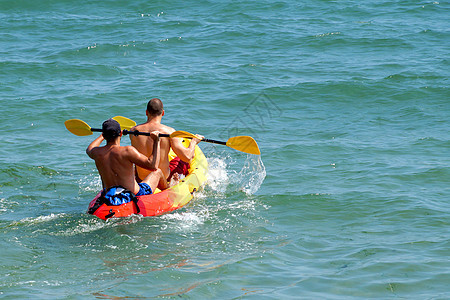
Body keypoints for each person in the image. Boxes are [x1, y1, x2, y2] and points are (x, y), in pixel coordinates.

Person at [86, 119, 168, 204]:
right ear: (121, 134)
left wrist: (102, 136)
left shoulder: (96, 153)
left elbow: (89, 149)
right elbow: (152, 165)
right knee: (157, 172)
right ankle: (168, 190)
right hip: (133, 194)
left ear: (104, 135)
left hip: (109, 194)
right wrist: (156, 141)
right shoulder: (127, 151)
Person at [129, 98, 203, 182]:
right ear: (163, 113)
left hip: (142, 178)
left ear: (146, 112)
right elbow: (187, 157)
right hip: (163, 178)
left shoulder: (133, 131)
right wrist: (194, 142)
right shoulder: (169, 132)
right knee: (182, 160)